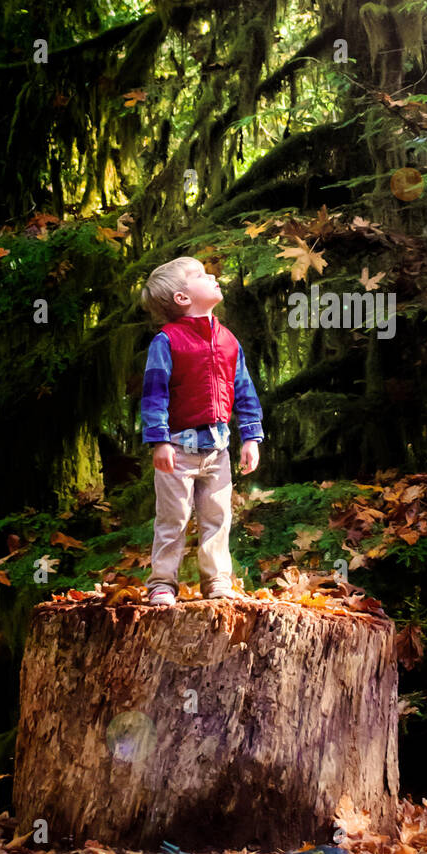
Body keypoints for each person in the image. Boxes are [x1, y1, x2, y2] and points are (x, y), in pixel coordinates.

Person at [139, 256, 264, 605]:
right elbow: (154, 394)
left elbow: (245, 390)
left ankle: (217, 581)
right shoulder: (167, 341)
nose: (212, 276)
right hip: (177, 450)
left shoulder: (227, 340)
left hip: (218, 449)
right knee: (173, 519)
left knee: (217, 517)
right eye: (200, 275)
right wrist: (159, 441)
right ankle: (162, 582)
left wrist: (251, 436)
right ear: (182, 298)